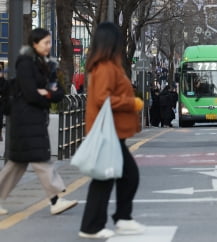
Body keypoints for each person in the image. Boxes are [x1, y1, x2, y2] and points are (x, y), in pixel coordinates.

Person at [78, 22, 145, 239]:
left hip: (112, 132)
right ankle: (102, 223)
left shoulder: (106, 66)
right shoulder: (106, 68)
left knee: (111, 178)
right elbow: (101, 99)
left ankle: (109, 221)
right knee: (120, 177)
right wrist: (131, 103)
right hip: (109, 132)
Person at [0, 28, 77, 216]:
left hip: (33, 119)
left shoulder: (48, 65)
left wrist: (47, 94)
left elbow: (57, 92)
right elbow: (30, 93)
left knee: (16, 165)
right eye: (45, 43)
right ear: (34, 44)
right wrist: (44, 96)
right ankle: (56, 199)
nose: (48, 46)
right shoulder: (25, 63)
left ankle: (55, 200)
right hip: (25, 119)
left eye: (50, 42)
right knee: (41, 160)